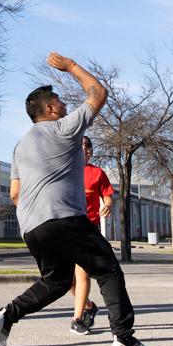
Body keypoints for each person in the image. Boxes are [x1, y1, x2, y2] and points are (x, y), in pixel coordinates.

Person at [0, 52, 151, 346]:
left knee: (57, 280)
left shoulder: (20, 146)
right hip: (64, 218)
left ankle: (5, 317)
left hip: (32, 227)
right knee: (108, 269)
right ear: (50, 109)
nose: (64, 105)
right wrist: (72, 66)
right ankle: (124, 339)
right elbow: (99, 93)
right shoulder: (64, 128)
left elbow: (17, 193)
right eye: (59, 101)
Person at [69, 135, 114, 335]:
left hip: (89, 229)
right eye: (82, 146)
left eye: (89, 146)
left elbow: (107, 195)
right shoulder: (66, 170)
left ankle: (77, 319)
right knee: (64, 279)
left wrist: (107, 206)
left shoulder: (97, 173)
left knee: (82, 273)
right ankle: (88, 305)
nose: (86, 149)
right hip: (67, 228)